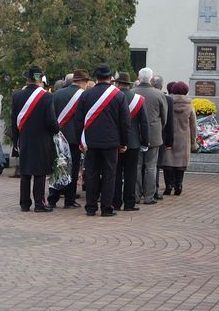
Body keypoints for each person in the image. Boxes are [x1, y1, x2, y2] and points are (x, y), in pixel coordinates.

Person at [77, 63, 129, 217]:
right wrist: (124, 142)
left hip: (91, 141)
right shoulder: (119, 95)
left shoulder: (86, 94)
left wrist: (81, 140)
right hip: (111, 142)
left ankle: (91, 207)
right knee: (109, 174)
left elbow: (79, 120)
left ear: (96, 77)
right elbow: (125, 123)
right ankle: (107, 208)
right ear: (111, 77)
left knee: (91, 173)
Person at [11, 65, 59, 212]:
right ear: (40, 79)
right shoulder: (46, 96)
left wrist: (15, 141)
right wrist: (56, 130)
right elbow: (51, 121)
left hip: (24, 138)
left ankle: (24, 204)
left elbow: (14, 121)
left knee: (25, 172)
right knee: (40, 172)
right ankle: (39, 204)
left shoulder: (17, 95)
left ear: (27, 78)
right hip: (42, 139)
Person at [48, 70, 90, 209]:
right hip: (74, 138)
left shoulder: (57, 94)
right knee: (73, 169)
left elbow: (51, 115)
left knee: (58, 166)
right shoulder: (84, 95)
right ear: (83, 81)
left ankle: (52, 198)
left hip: (58, 136)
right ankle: (69, 200)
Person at [113, 72, 149, 211]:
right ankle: (129, 203)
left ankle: (115, 202)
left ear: (117, 83)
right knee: (131, 174)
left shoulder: (112, 97)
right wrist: (145, 141)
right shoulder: (138, 99)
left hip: (115, 141)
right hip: (133, 142)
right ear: (129, 84)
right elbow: (144, 123)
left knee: (115, 173)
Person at [132, 67, 167, 205]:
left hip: (135, 134)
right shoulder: (159, 95)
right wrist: (158, 128)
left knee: (137, 165)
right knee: (151, 167)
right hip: (153, 134)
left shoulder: (131, 93)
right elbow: (164, 117)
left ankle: (135, 196)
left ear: (139, 78)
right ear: (151, 79)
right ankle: (149, 197)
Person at [163, 81, 197, 196]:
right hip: (184, 138)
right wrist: (193, 141)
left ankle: (168, 185)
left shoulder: (167, 102)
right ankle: (179, 185)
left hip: (169, 136)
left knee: (168, 162)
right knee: (181, 164)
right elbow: (193, 125)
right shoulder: (189, 104)